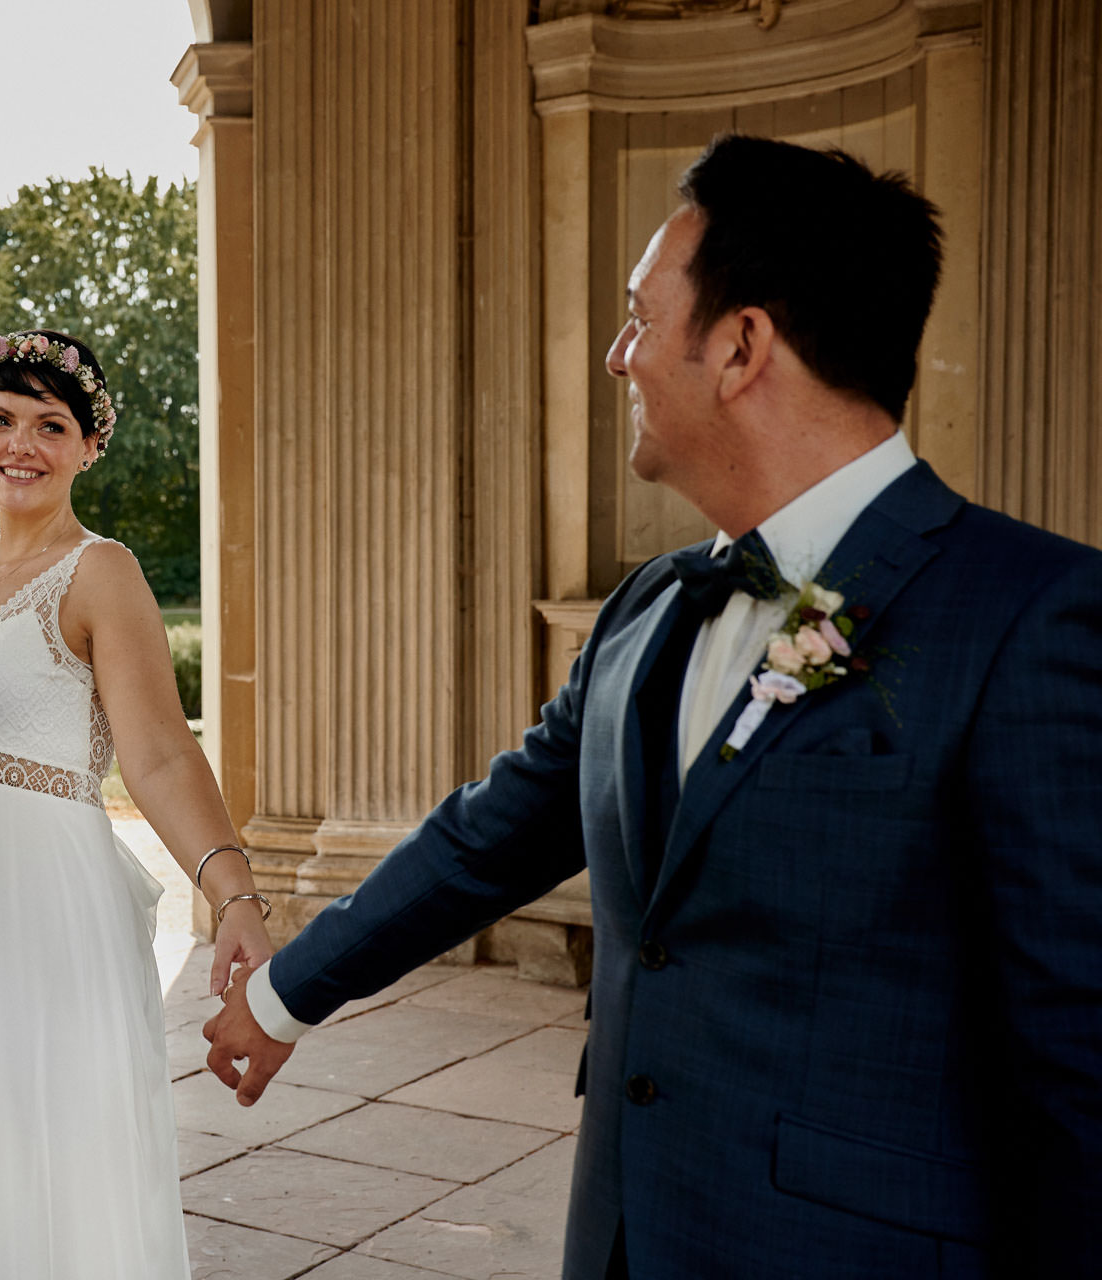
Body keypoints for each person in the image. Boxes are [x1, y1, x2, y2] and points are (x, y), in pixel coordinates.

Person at [203, 134, 1102, 1277]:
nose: (620, 357)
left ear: (740, 345)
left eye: (637, 317)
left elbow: (1082, 1061)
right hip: (628, 1231)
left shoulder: (1034, 616)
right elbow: (494, 832)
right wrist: (286, 992)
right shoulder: (646, 610)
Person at [0, 328, 273, 1278]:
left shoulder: (101, 571)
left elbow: (162, 756)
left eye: (52, 425)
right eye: (0, 420)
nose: (22, 446)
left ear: (88, 447)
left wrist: (235, 897)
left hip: (51, 920)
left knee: (55, 1162)